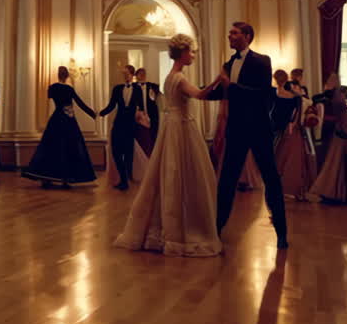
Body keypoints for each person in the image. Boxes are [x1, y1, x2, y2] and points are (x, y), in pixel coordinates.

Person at [114, 34, 223, 257]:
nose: (192, 55)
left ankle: (163, 227)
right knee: (184, 174)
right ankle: (181, 228)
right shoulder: (180, 78)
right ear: (182, 53)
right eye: (191, 51)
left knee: (168, 173)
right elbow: (200, 95)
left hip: (171, 125)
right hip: (181, 127)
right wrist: (219, 80)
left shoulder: (169, 76)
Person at [206, 21, 288, 249]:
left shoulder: (262, 61)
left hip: (259, 129)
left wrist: (230, 86)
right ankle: (217, 230)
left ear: (247, 36)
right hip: (236, 129)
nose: (229, 35)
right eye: (230, 32)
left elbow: (261, 94)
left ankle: (282, 233)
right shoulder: (228, 63)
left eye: (234, 32)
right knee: (226, 180)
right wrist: (197, 93)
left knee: (271, 178)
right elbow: (222, 92)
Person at [23, 67, 99, 187]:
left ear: (58, 75)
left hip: (56, 119)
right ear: (67, 76)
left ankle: (47, 177)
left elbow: (50, 98)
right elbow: (79, 103)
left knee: (51, 147)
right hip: (69, 120)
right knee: (69, 148)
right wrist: (92, 113)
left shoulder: (52, 87)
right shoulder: (69, 89)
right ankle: (66, 178)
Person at [99, 65, 145, 190]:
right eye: (123, 74)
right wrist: (100, 113)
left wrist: (140, 114)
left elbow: (141, 107)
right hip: (118, 124)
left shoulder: (138, 89)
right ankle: (124, 178)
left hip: (130, 125)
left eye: (126, 73)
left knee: (128, 153)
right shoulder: (117, 89)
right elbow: (111, 105)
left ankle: (125, 180)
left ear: (131, 74)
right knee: (116, 151)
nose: (124, 76)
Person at [274, 70, 317, 201]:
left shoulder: (280, 93)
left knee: (288, 157)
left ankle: (293, 189)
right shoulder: (293, 95)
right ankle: (293, 189)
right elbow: (299, 109)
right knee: (294, 158)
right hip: (293, 128)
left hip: (291, 128)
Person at [313, 73, 343, 164]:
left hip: (328, 122)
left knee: (327, 145)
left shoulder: (328, 94)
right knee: (330, 145)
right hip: (333, 122)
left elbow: (315, 99)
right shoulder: (338, 93)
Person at [135, 68, 160, 156]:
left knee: (153, 136)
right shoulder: (133, 87)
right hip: (139, 117)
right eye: (140, 74)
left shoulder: (153, 86)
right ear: (136, 76)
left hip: (152, 116)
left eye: (143, 74)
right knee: (141, 138)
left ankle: (153, 156)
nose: (142, 76)